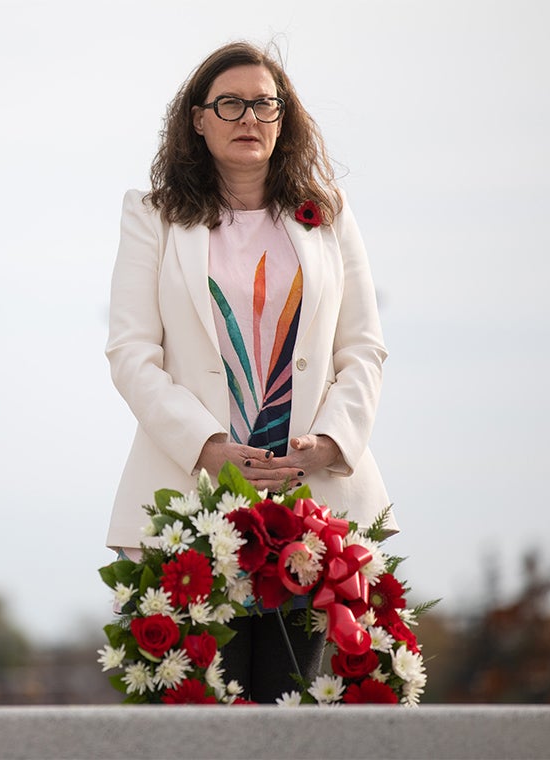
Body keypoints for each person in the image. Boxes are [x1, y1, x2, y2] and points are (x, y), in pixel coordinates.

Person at [104, 41, 396, 702]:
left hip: (312, 504)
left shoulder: (329, 217)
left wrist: (330, 443)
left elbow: (363, 348)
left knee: (293, 708)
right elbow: (131, 353)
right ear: (198, 120)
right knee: (200, 719)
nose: (250, 117)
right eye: (229, 103)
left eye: (266, 103)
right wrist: (205, 445)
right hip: (190, 502)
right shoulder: (151, 216)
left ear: (284, 117)